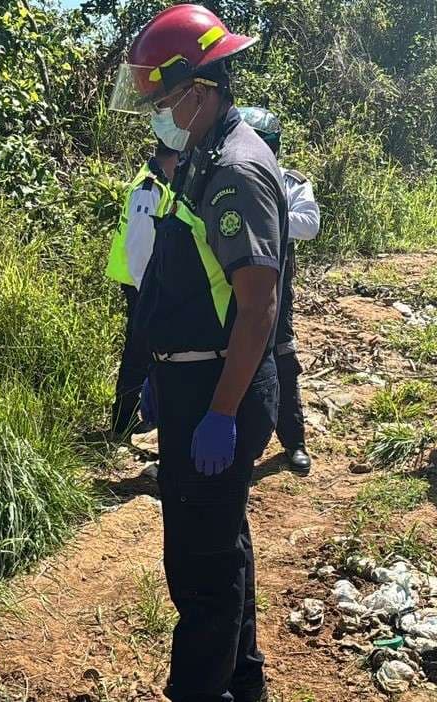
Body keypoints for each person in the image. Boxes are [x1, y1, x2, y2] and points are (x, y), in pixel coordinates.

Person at [109, 6, 287, 701]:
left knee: (200, 570)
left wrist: (219, 410)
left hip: (221, 391)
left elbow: (258, 307)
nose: (156, 112)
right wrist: (162, 370)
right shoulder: (204, 155)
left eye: (162, 99)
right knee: (223, 544)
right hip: (192, 383)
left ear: (200, 90)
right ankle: (243, 683)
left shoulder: (235, 172)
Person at [238, 106, 321, 475]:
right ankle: (240, 437)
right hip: (230, 281)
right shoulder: (224, 173)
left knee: (283, 355)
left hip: (275, 282)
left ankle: (294, 441)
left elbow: (309, 224)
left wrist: (263, 210)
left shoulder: (290, 182)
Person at [105, 140, 179, 438]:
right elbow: (138, 249)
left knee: (147, 352)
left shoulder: (160, 180)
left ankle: (141, 416)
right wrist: (150, 293)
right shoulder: (149, 189)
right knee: (138, 353)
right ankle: (122, 424)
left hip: (149, 281)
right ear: (173, 155)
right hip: (141, 284)